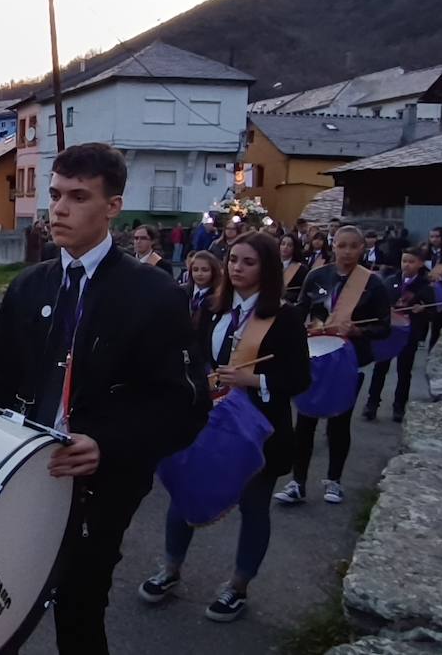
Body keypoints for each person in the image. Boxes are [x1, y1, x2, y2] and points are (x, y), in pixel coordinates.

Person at [0, 143, 205, 655]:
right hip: (23, 474)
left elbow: (182, 404)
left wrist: (107, 443)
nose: (58, 208)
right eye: (55, 194)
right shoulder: (29, 286)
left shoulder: (154, 294)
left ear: (113, 206)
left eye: (78, 196)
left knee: (79, 606)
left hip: (103, 481)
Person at [139, 232, 311, 623]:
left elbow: (299, 378)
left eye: (248, 262)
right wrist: (201, 376)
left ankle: (238, 586)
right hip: (209, 422)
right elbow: (196, 355)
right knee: (184, 490)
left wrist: (254, 380)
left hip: (259, 427)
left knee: (254, 507)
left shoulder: (284, 317)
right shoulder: (215, 309)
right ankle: (170, 568)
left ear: (266, 269)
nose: (237, 267)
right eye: (233, 259)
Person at [276, 226, 390, 507]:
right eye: (342, 245)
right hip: (314, 356)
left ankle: (334, 481)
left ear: (362, 248)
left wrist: (358, 331)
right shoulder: (317, 276)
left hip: (347, 358)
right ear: (333, 246)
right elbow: (301, 310)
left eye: (354, 246)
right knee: (304, 421)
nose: (347, 251)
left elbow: (384, 326)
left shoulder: (372, 283)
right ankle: (297, 482)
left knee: (339, 422)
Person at [363, 246, 437, 423]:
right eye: (404, 261)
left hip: (409, 333)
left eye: (411, 261)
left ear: (420, 263)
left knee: (404, 371)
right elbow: (378, 305)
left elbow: (433, 312)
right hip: (389, 331)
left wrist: (422, 310)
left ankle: (399, 407)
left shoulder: (425, 286)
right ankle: (372, 404)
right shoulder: (390, 281)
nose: (407, 265)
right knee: (380, 368)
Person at [183, 250, 223, 329]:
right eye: (195, 270)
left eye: (205, 270)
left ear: (213, 271)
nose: (199, 274)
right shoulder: (182, 292)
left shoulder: (218, 297)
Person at [279, 234, 309, 304]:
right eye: (283, 244)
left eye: (289, 245)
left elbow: (301, 293)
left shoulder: (301, 269)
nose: (285, 247)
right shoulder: (271, 264)